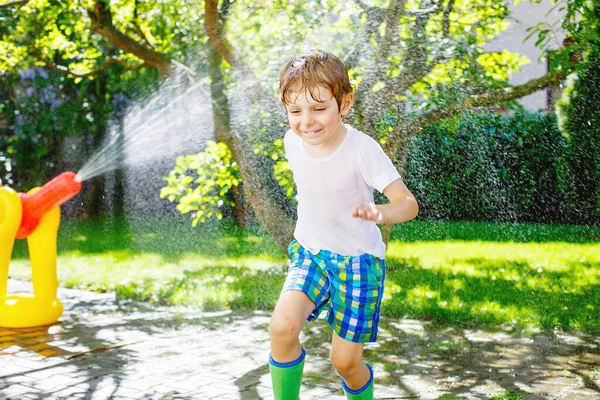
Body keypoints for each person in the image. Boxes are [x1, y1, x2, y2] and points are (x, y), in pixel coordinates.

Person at [269, 49, 419, 400]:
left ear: (344, 102)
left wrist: (383, 213)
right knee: (282, 328)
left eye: (319, 108)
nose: (307, 121)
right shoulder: (293, 142)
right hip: (311, 254)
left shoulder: (362, 149)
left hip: (358, 264)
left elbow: (408, 204)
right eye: (295, 111)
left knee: (345, 363)